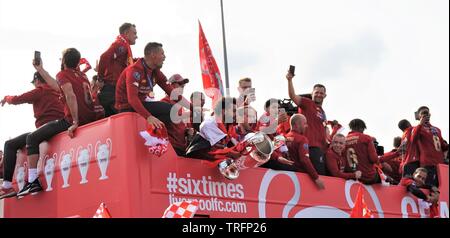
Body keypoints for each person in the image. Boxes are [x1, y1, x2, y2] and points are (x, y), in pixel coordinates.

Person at [16, 48, 100, 197]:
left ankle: (33, 181)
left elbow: (70, 95)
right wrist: (40, 69)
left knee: (32, 138)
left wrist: (74, 121)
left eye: (61, 58)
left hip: (72, 120)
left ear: (65, 61)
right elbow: (57, 86)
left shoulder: (63, 74)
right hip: (89, 117)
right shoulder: (82, 76)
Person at [0, 72, 64, 199]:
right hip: (59, 125)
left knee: (9, 145)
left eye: (34, 83)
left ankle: (7, 186)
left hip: (45, 130)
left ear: (37, 80)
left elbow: (17, 99)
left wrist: (6, 98)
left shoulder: (41, 90)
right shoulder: (57, 90)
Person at [115, 42, 191, 130]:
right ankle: (147, 128)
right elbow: (132, 99)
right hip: (126, 107)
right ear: (153, 55)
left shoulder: (155, 71)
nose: (164, 57)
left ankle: (149, 130)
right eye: (162, 54)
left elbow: (172, 93)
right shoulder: (135, 70)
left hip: (141, 103)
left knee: (173, 111)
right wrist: (149, 117)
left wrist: (193, 108)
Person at [286, 72, 328, 175]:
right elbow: (292, 96)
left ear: (325, 95)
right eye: (316, 92)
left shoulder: (322, 111)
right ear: (312, 93)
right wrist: (289, 80)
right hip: (310, 148)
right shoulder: (307, 103)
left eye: (321, 93)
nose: (319, 95)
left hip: (320, 150)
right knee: (318, 176)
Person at [97, 23, 138, 117]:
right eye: (134, 33)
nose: (137, 36)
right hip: (112, 90)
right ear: (127, 33)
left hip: (113, 89)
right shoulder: (121, 44)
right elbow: (104, 57)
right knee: (127, 116)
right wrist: (100, 79)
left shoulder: (124, 44)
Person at [186, 97, 237, 161]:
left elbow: (233, 146)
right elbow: (217, 151)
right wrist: (232, 154)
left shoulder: (229, 126)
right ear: (223, 111)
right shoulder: (209, 124)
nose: (236, 114)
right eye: (234, 111)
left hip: (214, 161)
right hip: (197, 162)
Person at [285, 114, 325, 189]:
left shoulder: (284, 137)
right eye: (304, 123)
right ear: (297, 124)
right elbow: (304, 160)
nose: (306, 126)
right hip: (300, 178)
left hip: (286, 176)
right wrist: (316, 178)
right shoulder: (302, 139)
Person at [414, 106, 448, 187]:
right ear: (419, 116)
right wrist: (420, 124)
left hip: (440, 164)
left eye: (427, 113)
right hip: (427, 163)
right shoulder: (416, 129)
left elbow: (443, 145)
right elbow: (413, 139)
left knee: (440, 188)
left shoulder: (437, 129)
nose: (426, 115)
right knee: (428, 187)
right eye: (423, 113)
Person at [160, 74, 191, 156]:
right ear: (171, 85)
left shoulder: (180, 105)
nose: (182, 86)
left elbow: (178, 125)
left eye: (183, 85)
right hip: (171, 148)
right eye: (180, 83)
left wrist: (187, 131)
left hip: (182, 148)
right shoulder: (164, 102)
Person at [345, 119, 380, 185]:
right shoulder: (366, 138)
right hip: (367, 177)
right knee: (384, 176)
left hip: (350, 176)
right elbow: (374, 159)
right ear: (361, 128)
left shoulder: (343, 139)